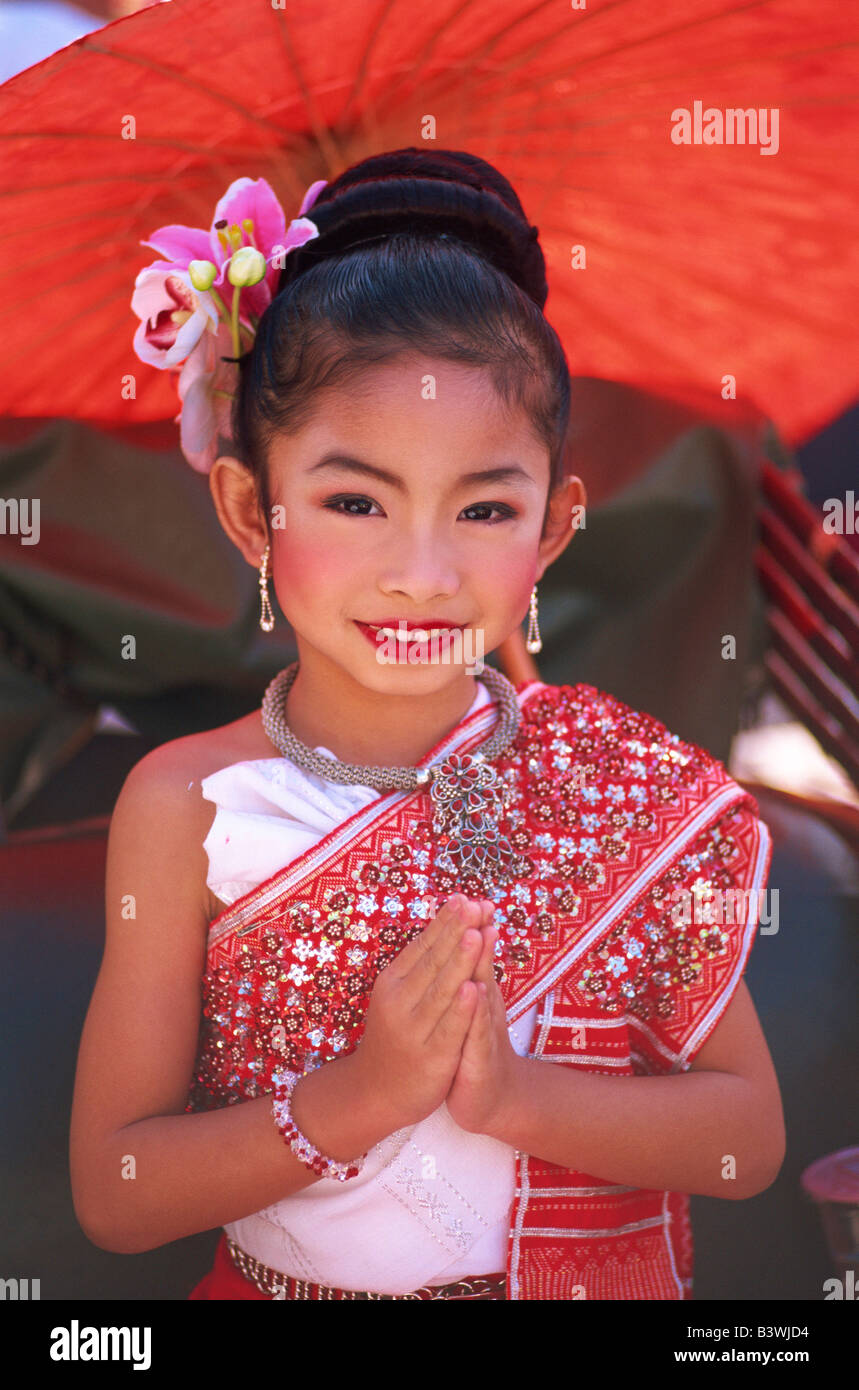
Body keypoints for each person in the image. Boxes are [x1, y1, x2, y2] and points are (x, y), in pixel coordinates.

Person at [69, 146, 785, 1301]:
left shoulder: (611, 783)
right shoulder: (185, 806)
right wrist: (362, 1095)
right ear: (253, 505)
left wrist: (511, 1097)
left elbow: (742, 1139)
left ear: (551, 531)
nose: (421, 572)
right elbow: (116, 1189)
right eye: (356, 500)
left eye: (484, 508)